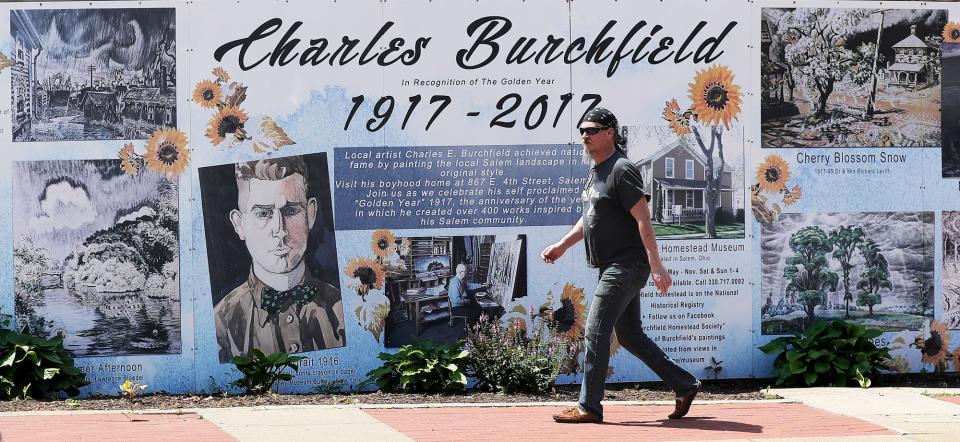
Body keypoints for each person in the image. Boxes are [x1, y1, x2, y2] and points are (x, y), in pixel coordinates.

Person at [542, 108, 700, 423]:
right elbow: (590, 219)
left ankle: (588, 406)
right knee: (629, 335)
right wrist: (561, 245)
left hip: (626, 266)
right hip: (612, 266)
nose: (585, 135)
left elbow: (643, 219)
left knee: (595, 330)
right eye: (582, 131)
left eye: (592, 130)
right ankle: (684, 384)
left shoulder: (621, 169)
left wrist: (657, 265)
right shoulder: (596, 170)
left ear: (610, 132)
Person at [214, 156, 345, 363]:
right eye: (263, 213)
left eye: (291, 210)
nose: (280, 231)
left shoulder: (344, 310)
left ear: (310, 214)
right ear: (239, 224)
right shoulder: (220, 324)